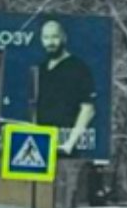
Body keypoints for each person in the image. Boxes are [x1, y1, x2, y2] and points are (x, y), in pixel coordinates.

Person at [34, 18, 97, 155]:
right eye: (46, 37)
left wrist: (69, 144)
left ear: (64, 38)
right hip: (41, 144)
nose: (50, 42)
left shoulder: (78, 68)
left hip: (65, 147)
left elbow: (88, 109)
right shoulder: (40, 69)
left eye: (55, 37)